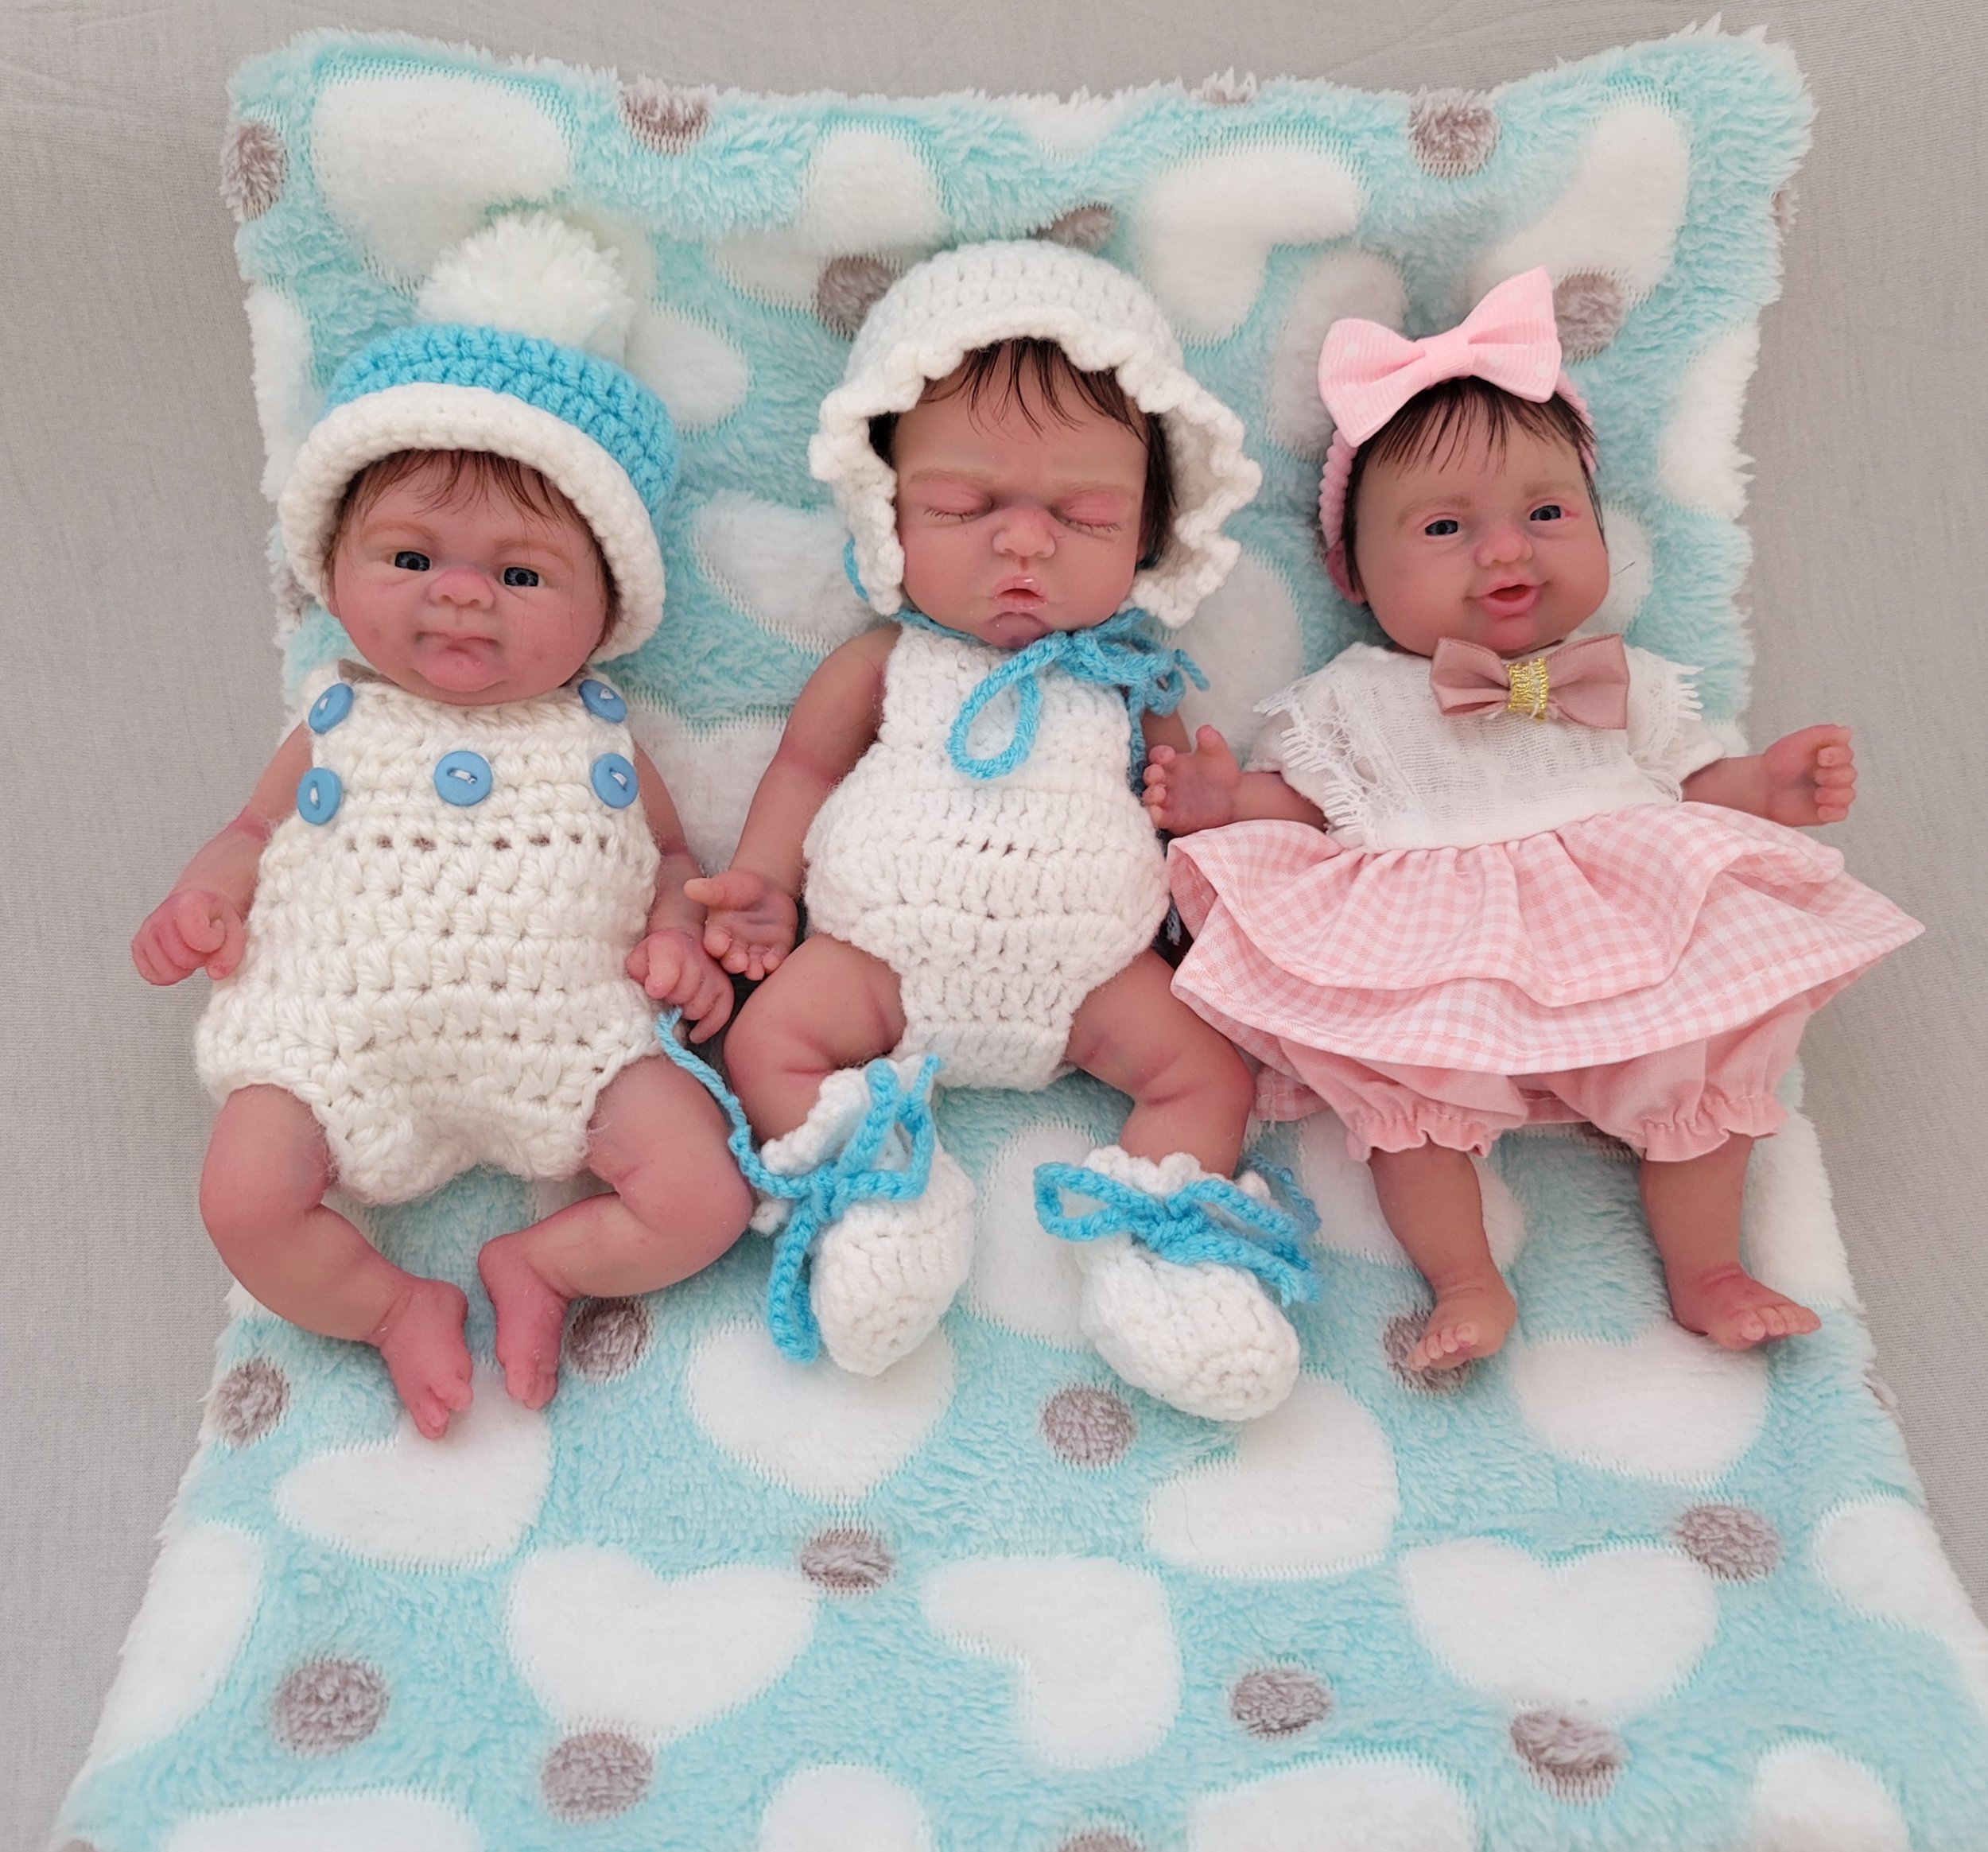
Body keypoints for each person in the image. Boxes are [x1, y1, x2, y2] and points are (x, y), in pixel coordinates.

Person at [1146, 268, 1920, 1374]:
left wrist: (1768, 786)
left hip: (1630, 937)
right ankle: (1467, 1282)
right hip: (1437, 951)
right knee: (1408, 1098)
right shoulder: (1353, 699)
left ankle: (1710, 1271)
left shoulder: (1622, 679)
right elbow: (1312, 809)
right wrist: (1223, 803)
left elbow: (1689, 784)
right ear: (1350, 572)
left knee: (1700, 1070)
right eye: (1446, 526)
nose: (1507, 551)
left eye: (1547, 514)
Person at [132, 215, 751, 1438]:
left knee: (705, 1195)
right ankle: (389, 1306)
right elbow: (250, 832)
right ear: (332, 568)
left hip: (573, 1040)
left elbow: (674, 861)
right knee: (244, 1200)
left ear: (607, 607)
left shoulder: (599, 734)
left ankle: (545, 1263)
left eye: (521, 575)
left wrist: (678, 936)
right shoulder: (337, 717)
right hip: (332, 1036)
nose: (462, 593)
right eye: (412, 556)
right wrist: (203, 898)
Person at [689, 240, 1318, 1420]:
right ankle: (875, 1192)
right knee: (766, 1042)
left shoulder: (1132, 679)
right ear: (888, 514)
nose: (1024, 543)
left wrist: (1199, 815)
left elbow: (1180, 816)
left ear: (1149, 534)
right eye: (964, 506)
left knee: (1208, 1070)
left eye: (1083, 514)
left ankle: (1165, 1247)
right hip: (876, 960)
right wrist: (767, 883)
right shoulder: (887, 661)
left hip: (1090, 976)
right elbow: (804, 765)